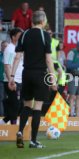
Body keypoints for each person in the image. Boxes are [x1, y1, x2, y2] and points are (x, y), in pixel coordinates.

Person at [9, 10, 57, 148]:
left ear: (32, 21)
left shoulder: (24, 34)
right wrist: (52, 79)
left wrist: (12, 76)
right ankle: (33, 141)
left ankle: (19, 133)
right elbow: (48, 60)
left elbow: (17, 57)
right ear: (43, 21)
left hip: (26, 73)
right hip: (40, 74)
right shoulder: (45, 35)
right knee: (37, 107)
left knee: (26, 105)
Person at [0, 28, 23, 125]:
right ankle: (13, 128)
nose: (22, 37)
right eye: (19, 35)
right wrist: (11, 80)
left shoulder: (20, 48)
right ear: (13, 37)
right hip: (12, 81)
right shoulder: (9, 49)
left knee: (20, 105)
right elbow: (7, 66)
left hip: (20, 80)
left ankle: (3, 122)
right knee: (15, 105)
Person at [66, 41, 79, 117]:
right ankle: (71, 114)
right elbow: (68, 65)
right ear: (77, 46)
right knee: (72, 96)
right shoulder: (72, 52)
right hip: (73, 77)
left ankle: (77, 115)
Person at [0, 41, 7, 117]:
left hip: (10, 80)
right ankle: (1, 116)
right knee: (1, 98)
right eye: (3, 46)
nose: (5, 47)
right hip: (1, 80)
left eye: (6, 46)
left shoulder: (12, 55)